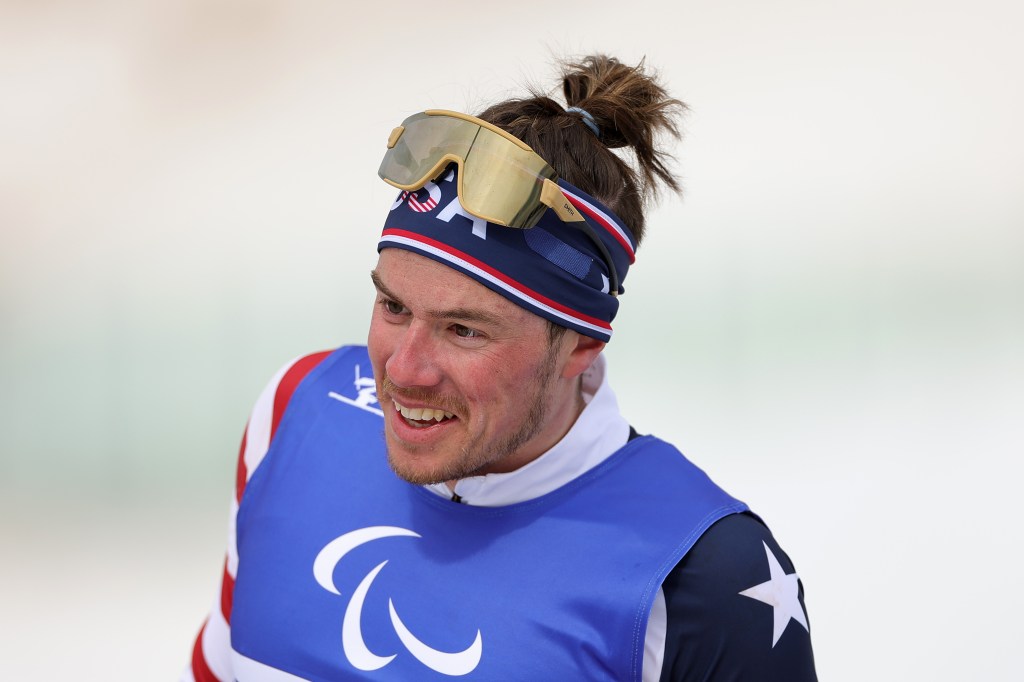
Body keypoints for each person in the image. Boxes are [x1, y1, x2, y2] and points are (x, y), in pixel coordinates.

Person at [183, 55, 817, 681]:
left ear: (580, 346)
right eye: (393, 306)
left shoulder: (701, 579)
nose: (405, 371)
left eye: (464, 330)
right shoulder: (298, 408)